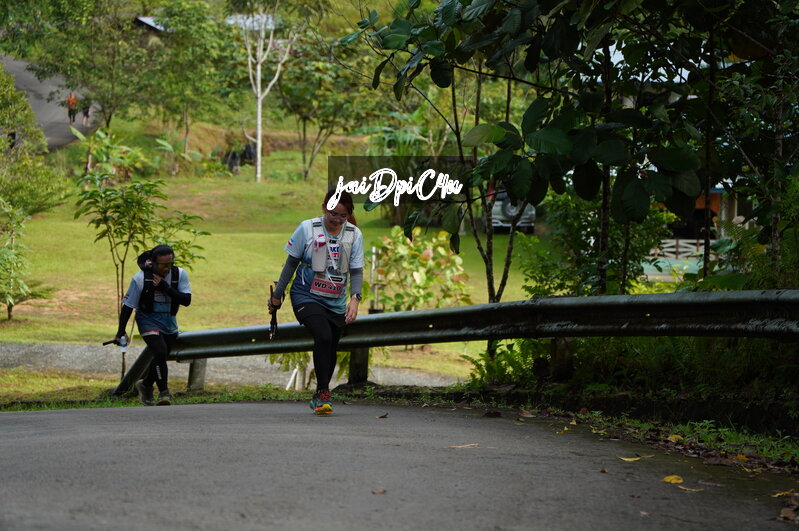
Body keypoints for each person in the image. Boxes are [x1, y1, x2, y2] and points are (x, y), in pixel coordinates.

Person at [269, 189, 364, 415]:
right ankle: (323, 393)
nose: (337, 220)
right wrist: (277, 295)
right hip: (306, 294)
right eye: (333, 214)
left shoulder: (354, 234)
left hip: (336, 301)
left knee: (330, 345)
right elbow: (291, 263)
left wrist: (355, 299)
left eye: (343, 215)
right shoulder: (307, 228)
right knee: (323, 336)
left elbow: (356, 271)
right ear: (324, 208)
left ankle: (320, 392)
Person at [115, 244, 192, 406]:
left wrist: (166, 288)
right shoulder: (140, 278)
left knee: (161, 356)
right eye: (163, 265)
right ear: (153, 263)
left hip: (169, 321)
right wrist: (121, 331)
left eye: (169, 264)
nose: (166, 268)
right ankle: (164, 393)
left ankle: (146, 384)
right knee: (160, 351)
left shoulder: (179, 274)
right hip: (147, 319)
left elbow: (186, 301)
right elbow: (128, 306)